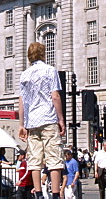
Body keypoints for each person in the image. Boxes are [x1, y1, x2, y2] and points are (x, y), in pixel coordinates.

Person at [18, 42, 66, 199]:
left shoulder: (25, 74)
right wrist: (61, 119)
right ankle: (55, 194)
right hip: (48, 118)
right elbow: (55, 96)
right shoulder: (50, 71)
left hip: (32, 122)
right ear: (43, 54)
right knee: (54, 158)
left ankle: (38, 193)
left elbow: (22, 101)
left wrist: (21, 124)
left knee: (34, 159)